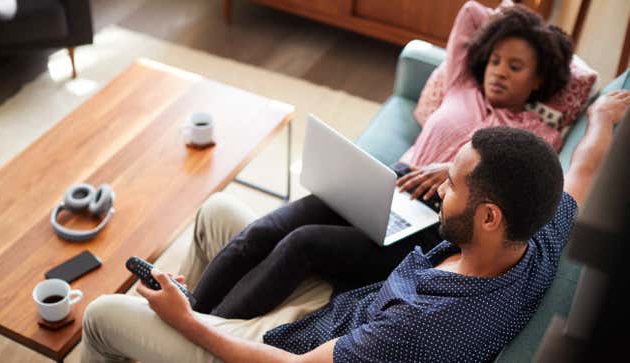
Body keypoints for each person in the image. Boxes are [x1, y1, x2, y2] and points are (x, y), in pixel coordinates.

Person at [81, 91, 630, 363]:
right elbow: (581, 168)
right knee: (218, 213)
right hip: (339, 307)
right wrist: (603, 118)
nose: (439, 188)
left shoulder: (425, 325)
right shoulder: (536, 235)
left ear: (489, 216)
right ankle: (175, 317)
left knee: (103, 313)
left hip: (296, 348)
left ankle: (173, 323)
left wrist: (190, 324)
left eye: (455, 183)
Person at [180, 0, 576, 320]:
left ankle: (207, 328)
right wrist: (517, 16)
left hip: (437, 222)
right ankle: (190, 307)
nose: (499, 72)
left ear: (538, 79)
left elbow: (528, 182)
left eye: (516, 66)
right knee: (265, 229)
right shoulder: (462, 86)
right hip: (389, 183)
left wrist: (452, 167)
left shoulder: (533, 133)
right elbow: (471, 12)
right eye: (495, 60)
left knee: (302, 243)